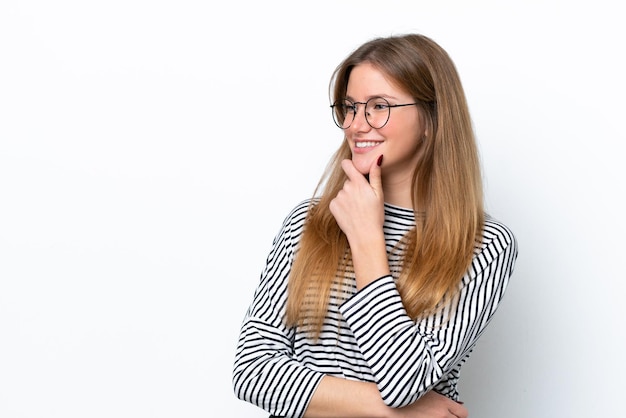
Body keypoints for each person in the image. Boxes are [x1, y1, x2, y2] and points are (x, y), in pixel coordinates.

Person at [232, 33, 518, 418]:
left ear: (432, 119)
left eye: (379, 106)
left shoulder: (484, 246)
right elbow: (252, 372)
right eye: (350, 107)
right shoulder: (308, 222)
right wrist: (403, 413)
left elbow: (403, 380)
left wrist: (367, 239)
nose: (356, 125)